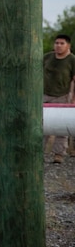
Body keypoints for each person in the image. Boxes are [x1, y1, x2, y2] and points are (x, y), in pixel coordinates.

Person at [42, 34, 75, 164]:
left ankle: (59, 153)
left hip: (62, 95)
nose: (58, 46)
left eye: (62, 43)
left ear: (68, 45)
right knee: (42, 125)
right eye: (57, 43)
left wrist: (73, 99)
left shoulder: (72, 59)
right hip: (44, 94)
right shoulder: (47, 57)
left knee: (61, 126)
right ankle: (38, 151)